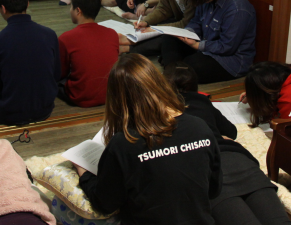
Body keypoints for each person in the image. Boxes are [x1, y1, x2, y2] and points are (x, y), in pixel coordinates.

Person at [75, 54, 222, 225]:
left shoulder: (124, 143)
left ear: (117, 100)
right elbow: (214, 189)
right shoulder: (200, 127)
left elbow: (105, 203)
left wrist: (84, 174)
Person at [164, 63, 291, 225]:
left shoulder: (157, 115)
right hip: (237, 160)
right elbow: (231, 131)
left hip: (206, 171)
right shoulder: (202, 102)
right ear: (196, 87)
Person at [160, 0, 256, 83]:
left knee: (192, 64)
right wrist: (189, 32)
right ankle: (172, 74)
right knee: (169, 39)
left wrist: (198, 45)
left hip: (229, 59)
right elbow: (196, 20)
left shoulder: (237, 8)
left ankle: (173, 74)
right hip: (205, 44)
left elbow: (227, 47)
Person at [58, 0, 126, 107]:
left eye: (71, 7)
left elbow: (61, 72)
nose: (70, 10)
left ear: (78, 11)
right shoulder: (112, 33)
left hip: (80, 97)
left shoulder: (66, 38)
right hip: (110, 95)